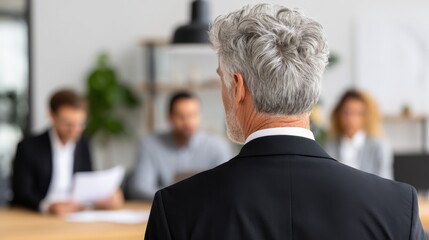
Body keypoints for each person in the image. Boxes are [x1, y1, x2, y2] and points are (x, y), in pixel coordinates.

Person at [144, 4, 425, 240]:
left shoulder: (177, 209)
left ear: (237, 87)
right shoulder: (398, 207)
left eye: (221, 78)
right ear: (313, 87)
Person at [12, 89, 123, 215]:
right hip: (36, 217)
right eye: (68, 124)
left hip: (74, 215)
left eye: (80, 124)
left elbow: (87, 181)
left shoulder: (83, 143)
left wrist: (103, 198)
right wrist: (47, 207)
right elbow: (22, 193)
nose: (75, 130)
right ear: (52, 117)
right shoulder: (28, 147)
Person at [128, 91, 231, 200]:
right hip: (164, 211)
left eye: (193, 115)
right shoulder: (149, 144)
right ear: (170, 117)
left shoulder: (218, 146)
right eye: (181, 116)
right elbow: (140, 188)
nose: (188, 122)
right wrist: (179, 198)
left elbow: (227, 187)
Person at [325, 89, 393, 179]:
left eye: (356, 113)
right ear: (338, 114)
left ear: (366, 117)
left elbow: (386, 183)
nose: (350, 118)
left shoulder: (379, 147)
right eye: (346, 112)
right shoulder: (330, 145)